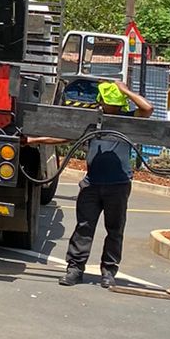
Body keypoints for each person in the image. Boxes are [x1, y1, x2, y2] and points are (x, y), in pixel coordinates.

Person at [58, 78, 152, 289]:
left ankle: (109, 272)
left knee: (115, 229)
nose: (106, 105)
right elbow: (67, 137)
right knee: (84, 227)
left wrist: (125, 90)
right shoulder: (94, 121)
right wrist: (34, 140)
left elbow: (148, 108)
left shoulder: (129, 120)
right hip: (92, 184)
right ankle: (75, 269)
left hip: (118, 185)